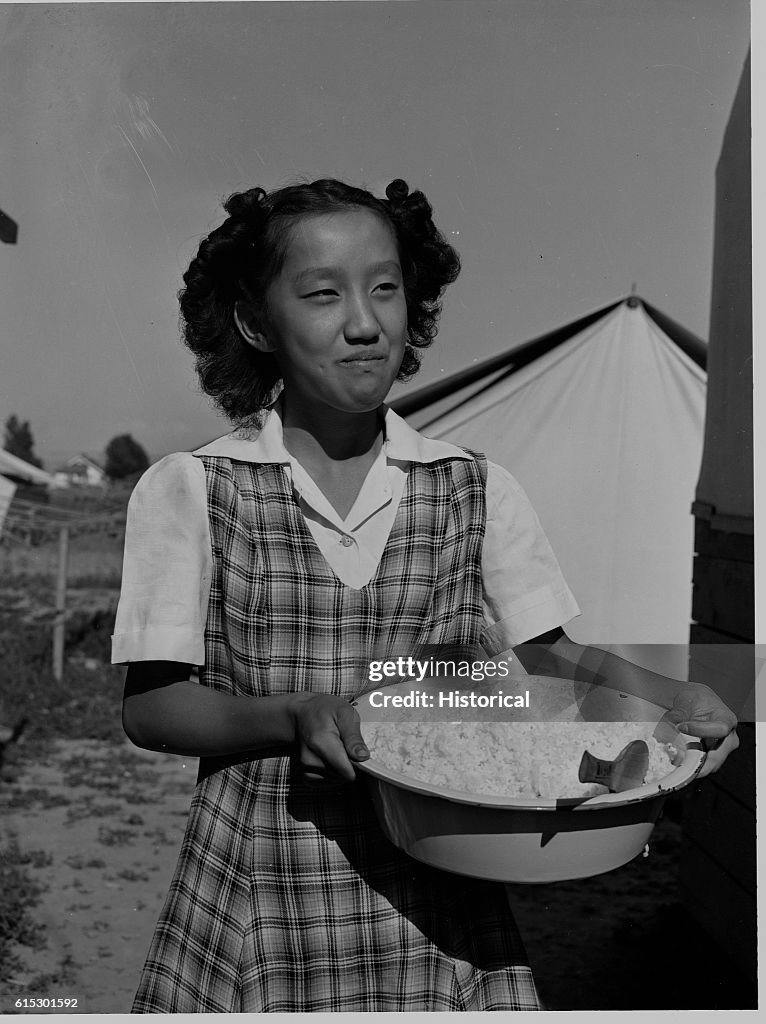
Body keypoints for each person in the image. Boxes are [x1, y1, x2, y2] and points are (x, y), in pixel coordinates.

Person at [112, 178, 738, 1013]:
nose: (365, 323)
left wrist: (675, 701)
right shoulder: (191, 489)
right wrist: (290, 716)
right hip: (260, 888)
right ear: (256, 322)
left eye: (385, 287)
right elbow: (151, 710)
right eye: (322, 294)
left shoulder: (474, 489)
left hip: (441, 898)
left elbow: (545, 661)